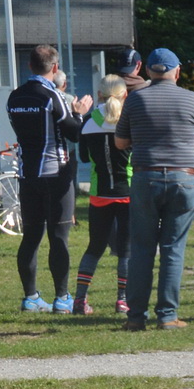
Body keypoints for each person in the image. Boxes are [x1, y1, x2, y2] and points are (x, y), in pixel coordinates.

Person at [114, 48, 194, 331]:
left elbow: (120, 143)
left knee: (142, 248)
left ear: (149, 71)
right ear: (176, 72)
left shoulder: (136, 100)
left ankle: (135, 317)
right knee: (173, 248)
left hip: (145, 177)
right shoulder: (193, 100)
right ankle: (167, 315)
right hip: (183, 177)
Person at [8, 44, 93, 312]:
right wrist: (78, 112)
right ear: (54, 68)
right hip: (55, 174)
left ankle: (30, 297)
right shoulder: (52, 95)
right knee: (59, 237)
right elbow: (73, 133)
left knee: (31, 236)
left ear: (30, 66)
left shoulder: (14, 96)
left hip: (27, 174)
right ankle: (62, 298)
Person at [73, 75, 133, 314]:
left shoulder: (87, 122)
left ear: (99, 94)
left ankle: (79, 301)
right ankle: (122, 300)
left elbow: (85, 158)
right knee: (126, 250)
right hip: (127, 191)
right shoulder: (129, 121)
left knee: (94, 247)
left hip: (99, 193)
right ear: (124, 95)